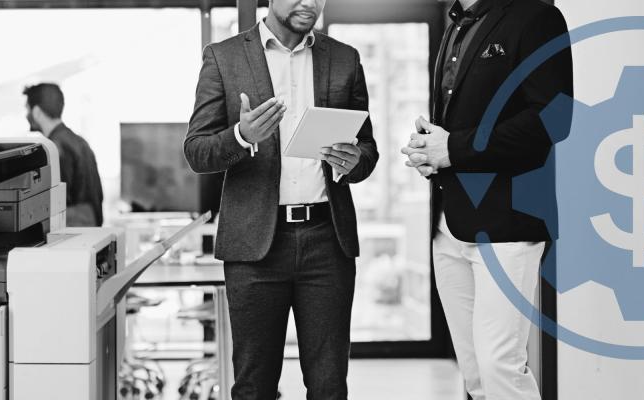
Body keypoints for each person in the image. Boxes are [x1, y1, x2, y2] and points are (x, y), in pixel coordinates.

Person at [184, 0, 377, 398]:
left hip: (328, 242)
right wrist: (241, 136)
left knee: (329, 385)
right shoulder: (224, 57)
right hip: (255, 247)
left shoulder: (344, 59)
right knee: (254, 385)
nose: (310, 2)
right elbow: (197, 151)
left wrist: (355, 160)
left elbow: (367, 149)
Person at [400, 0, 573, 399]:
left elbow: (554, 118)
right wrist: (433, 155)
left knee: (501, 368)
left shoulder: (537, 17)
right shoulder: (455, 25)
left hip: (507, 223)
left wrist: (454, 149)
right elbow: (464, 123)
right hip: (448, 225)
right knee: (476, 375)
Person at [23, 83, 104, 227]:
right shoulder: (80, 142)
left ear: (36, 112)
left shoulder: (53, 149)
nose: (26, 115)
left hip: (72, 235)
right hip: (90, 232)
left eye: (27, 109)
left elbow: (58, 203)